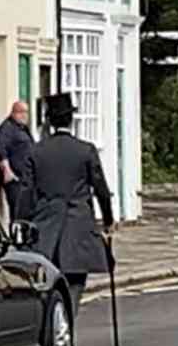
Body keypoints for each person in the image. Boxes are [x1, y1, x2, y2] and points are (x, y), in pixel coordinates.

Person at [17, 93, 114, 315]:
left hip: (45, 227)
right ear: (71, 120)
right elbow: (101, 189)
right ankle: (66, 327)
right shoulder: (85, 150)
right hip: (78, 226)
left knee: (47, 284)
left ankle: (56, 326)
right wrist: (108, 221)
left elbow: (25, 192)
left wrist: (20, 223)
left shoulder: (36, 151)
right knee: (75, 283)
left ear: (49, 121)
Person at [0, 101, 34, 221]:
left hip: (26, 179)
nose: (24, 115)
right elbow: (1, 151)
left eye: (26, 112)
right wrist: (8, 172)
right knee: (17, 213)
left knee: (27, 213)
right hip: (15, 181)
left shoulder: (23, 129)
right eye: (21, 112)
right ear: (13, 113)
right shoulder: (6, 129)